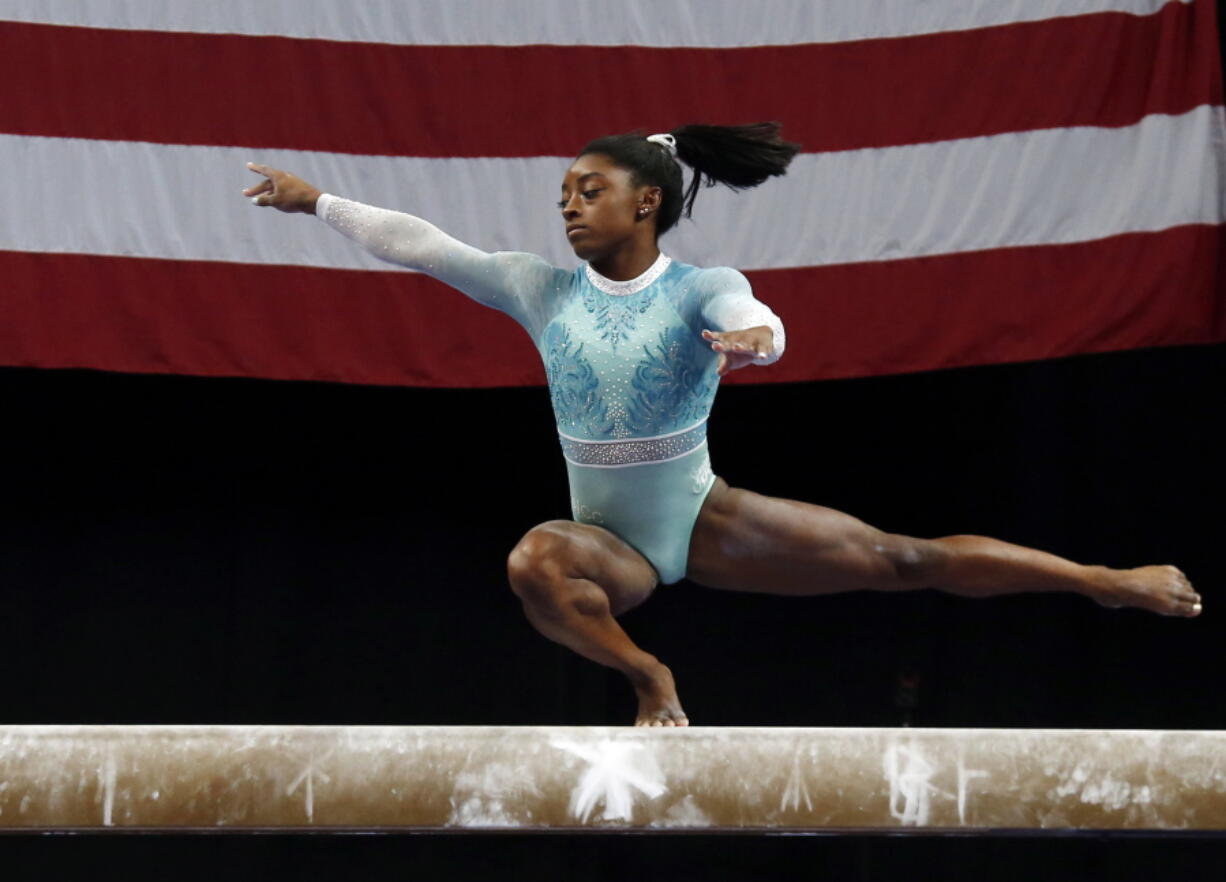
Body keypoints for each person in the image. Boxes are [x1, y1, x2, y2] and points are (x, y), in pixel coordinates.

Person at [243, 122, 1202, 727]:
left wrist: (752, 338)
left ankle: (1101, 581)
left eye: (589, 189)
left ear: (646, 200)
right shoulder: (540, 290)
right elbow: (424, 245)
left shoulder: (701, 287)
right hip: (605, 541)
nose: (569, 206)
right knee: (536, 563)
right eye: (564, 194)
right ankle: (650, 678)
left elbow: (757, 317)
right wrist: (315, 200)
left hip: (701, 515)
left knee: (906, 561)